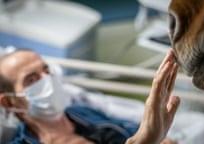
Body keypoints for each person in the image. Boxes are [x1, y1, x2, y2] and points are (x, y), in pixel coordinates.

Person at [0, 49, 180, 144]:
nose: (47, 79)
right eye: (31, 79)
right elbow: (143, 137)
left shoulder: (81, 112)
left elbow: (131, 131)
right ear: (9, 101)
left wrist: (162, 140)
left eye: (46, 69)